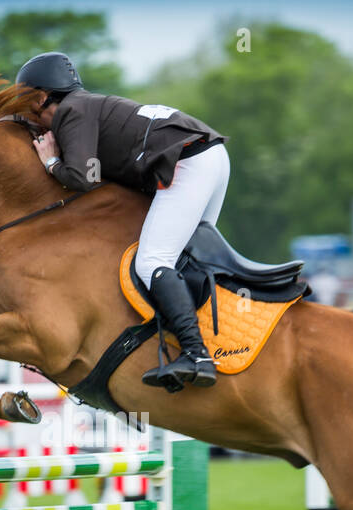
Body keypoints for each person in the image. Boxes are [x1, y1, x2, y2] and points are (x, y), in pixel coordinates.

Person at [16, 52, 229, 389]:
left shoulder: (72, 110)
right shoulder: (87, 104)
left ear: (41, 97)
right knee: (185, 261)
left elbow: (83, 176)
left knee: (152, 262)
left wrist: (51, 161)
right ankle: (210, 344)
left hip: (189, 162)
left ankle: (197, 353)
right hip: (208, 155)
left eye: (28, 106)